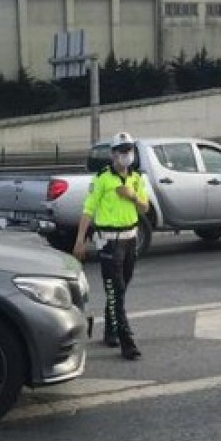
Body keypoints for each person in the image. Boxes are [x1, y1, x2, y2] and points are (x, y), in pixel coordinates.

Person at [73, 131, 149, 361]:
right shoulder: (102, 178)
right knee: (115, 290)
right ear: (113, 154)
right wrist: (80, 241)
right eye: (122, 151)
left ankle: (110, 330)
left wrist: (132, 196)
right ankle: (127, 342)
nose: (127, 155)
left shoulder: (136, 178)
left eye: (130, 150)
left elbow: (145, 208)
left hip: (130, 240)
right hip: (108, 242)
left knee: (121, 288)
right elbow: (88, 210)